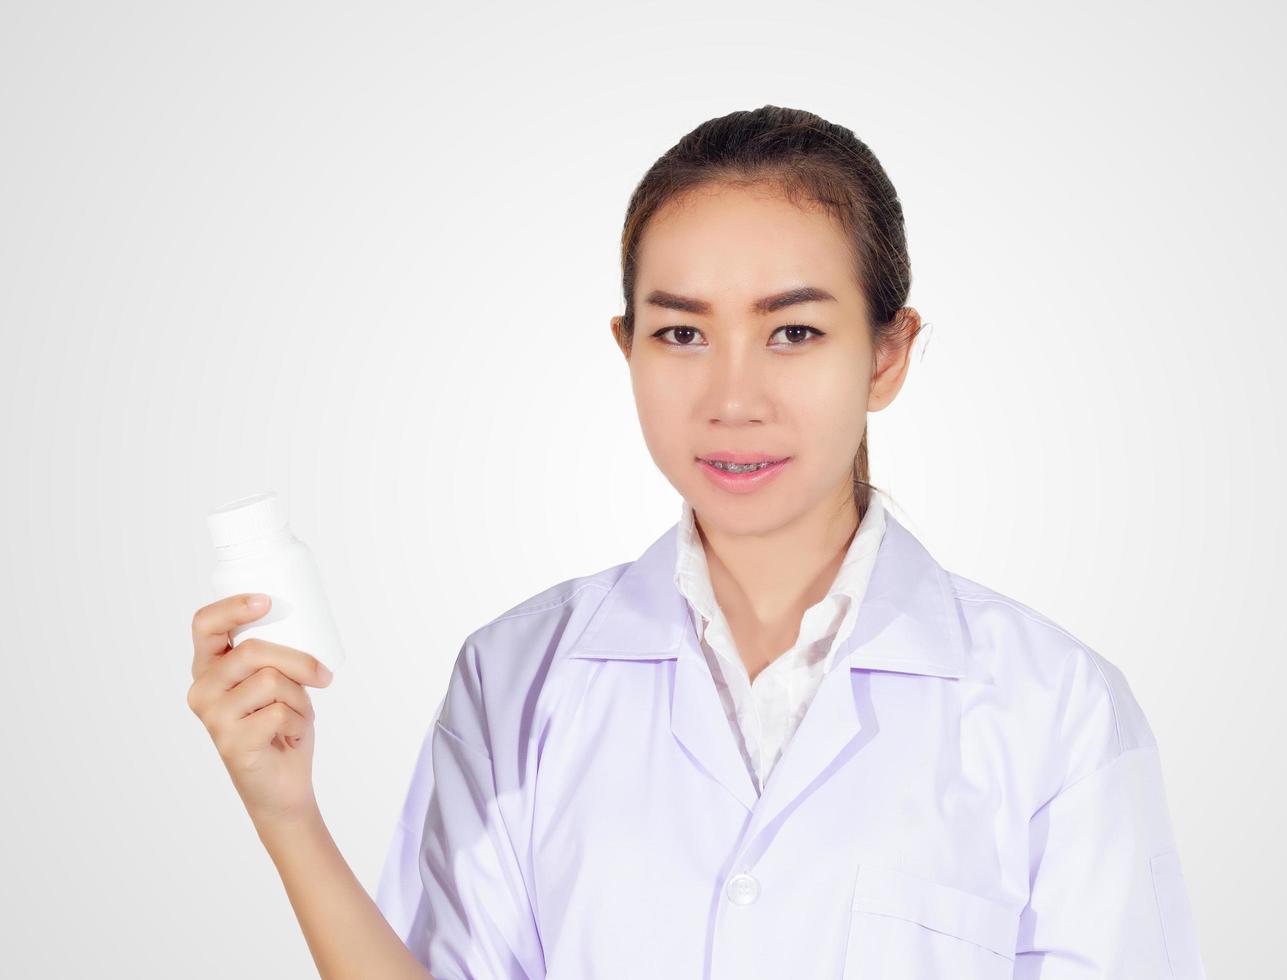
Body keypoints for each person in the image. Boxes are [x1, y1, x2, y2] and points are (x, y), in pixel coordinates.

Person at [188, 105, 1207, 979]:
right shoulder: (518, 676)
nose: (732, 397)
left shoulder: (1054, 709)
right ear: (627, 347)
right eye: (681, 332)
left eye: (794, 331)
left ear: (888, 353)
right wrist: (288, 812)